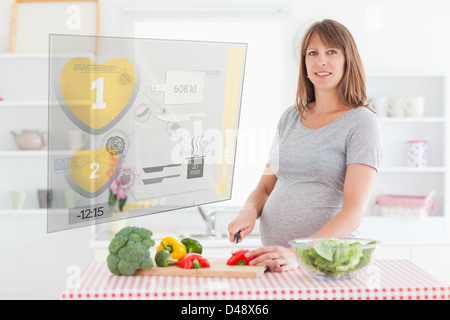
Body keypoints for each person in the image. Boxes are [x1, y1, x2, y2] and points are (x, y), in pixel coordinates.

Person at [227, 19, 383, 272]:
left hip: (327, 264)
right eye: (313, 53)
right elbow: (265, 187)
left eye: (331, 51)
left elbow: (354, 210)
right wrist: (249, 210)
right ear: (305, 64)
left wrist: (300, 253)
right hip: (279, 264)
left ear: (348, 59)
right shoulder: (291, 116)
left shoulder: (362, 122)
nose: (321, 60)